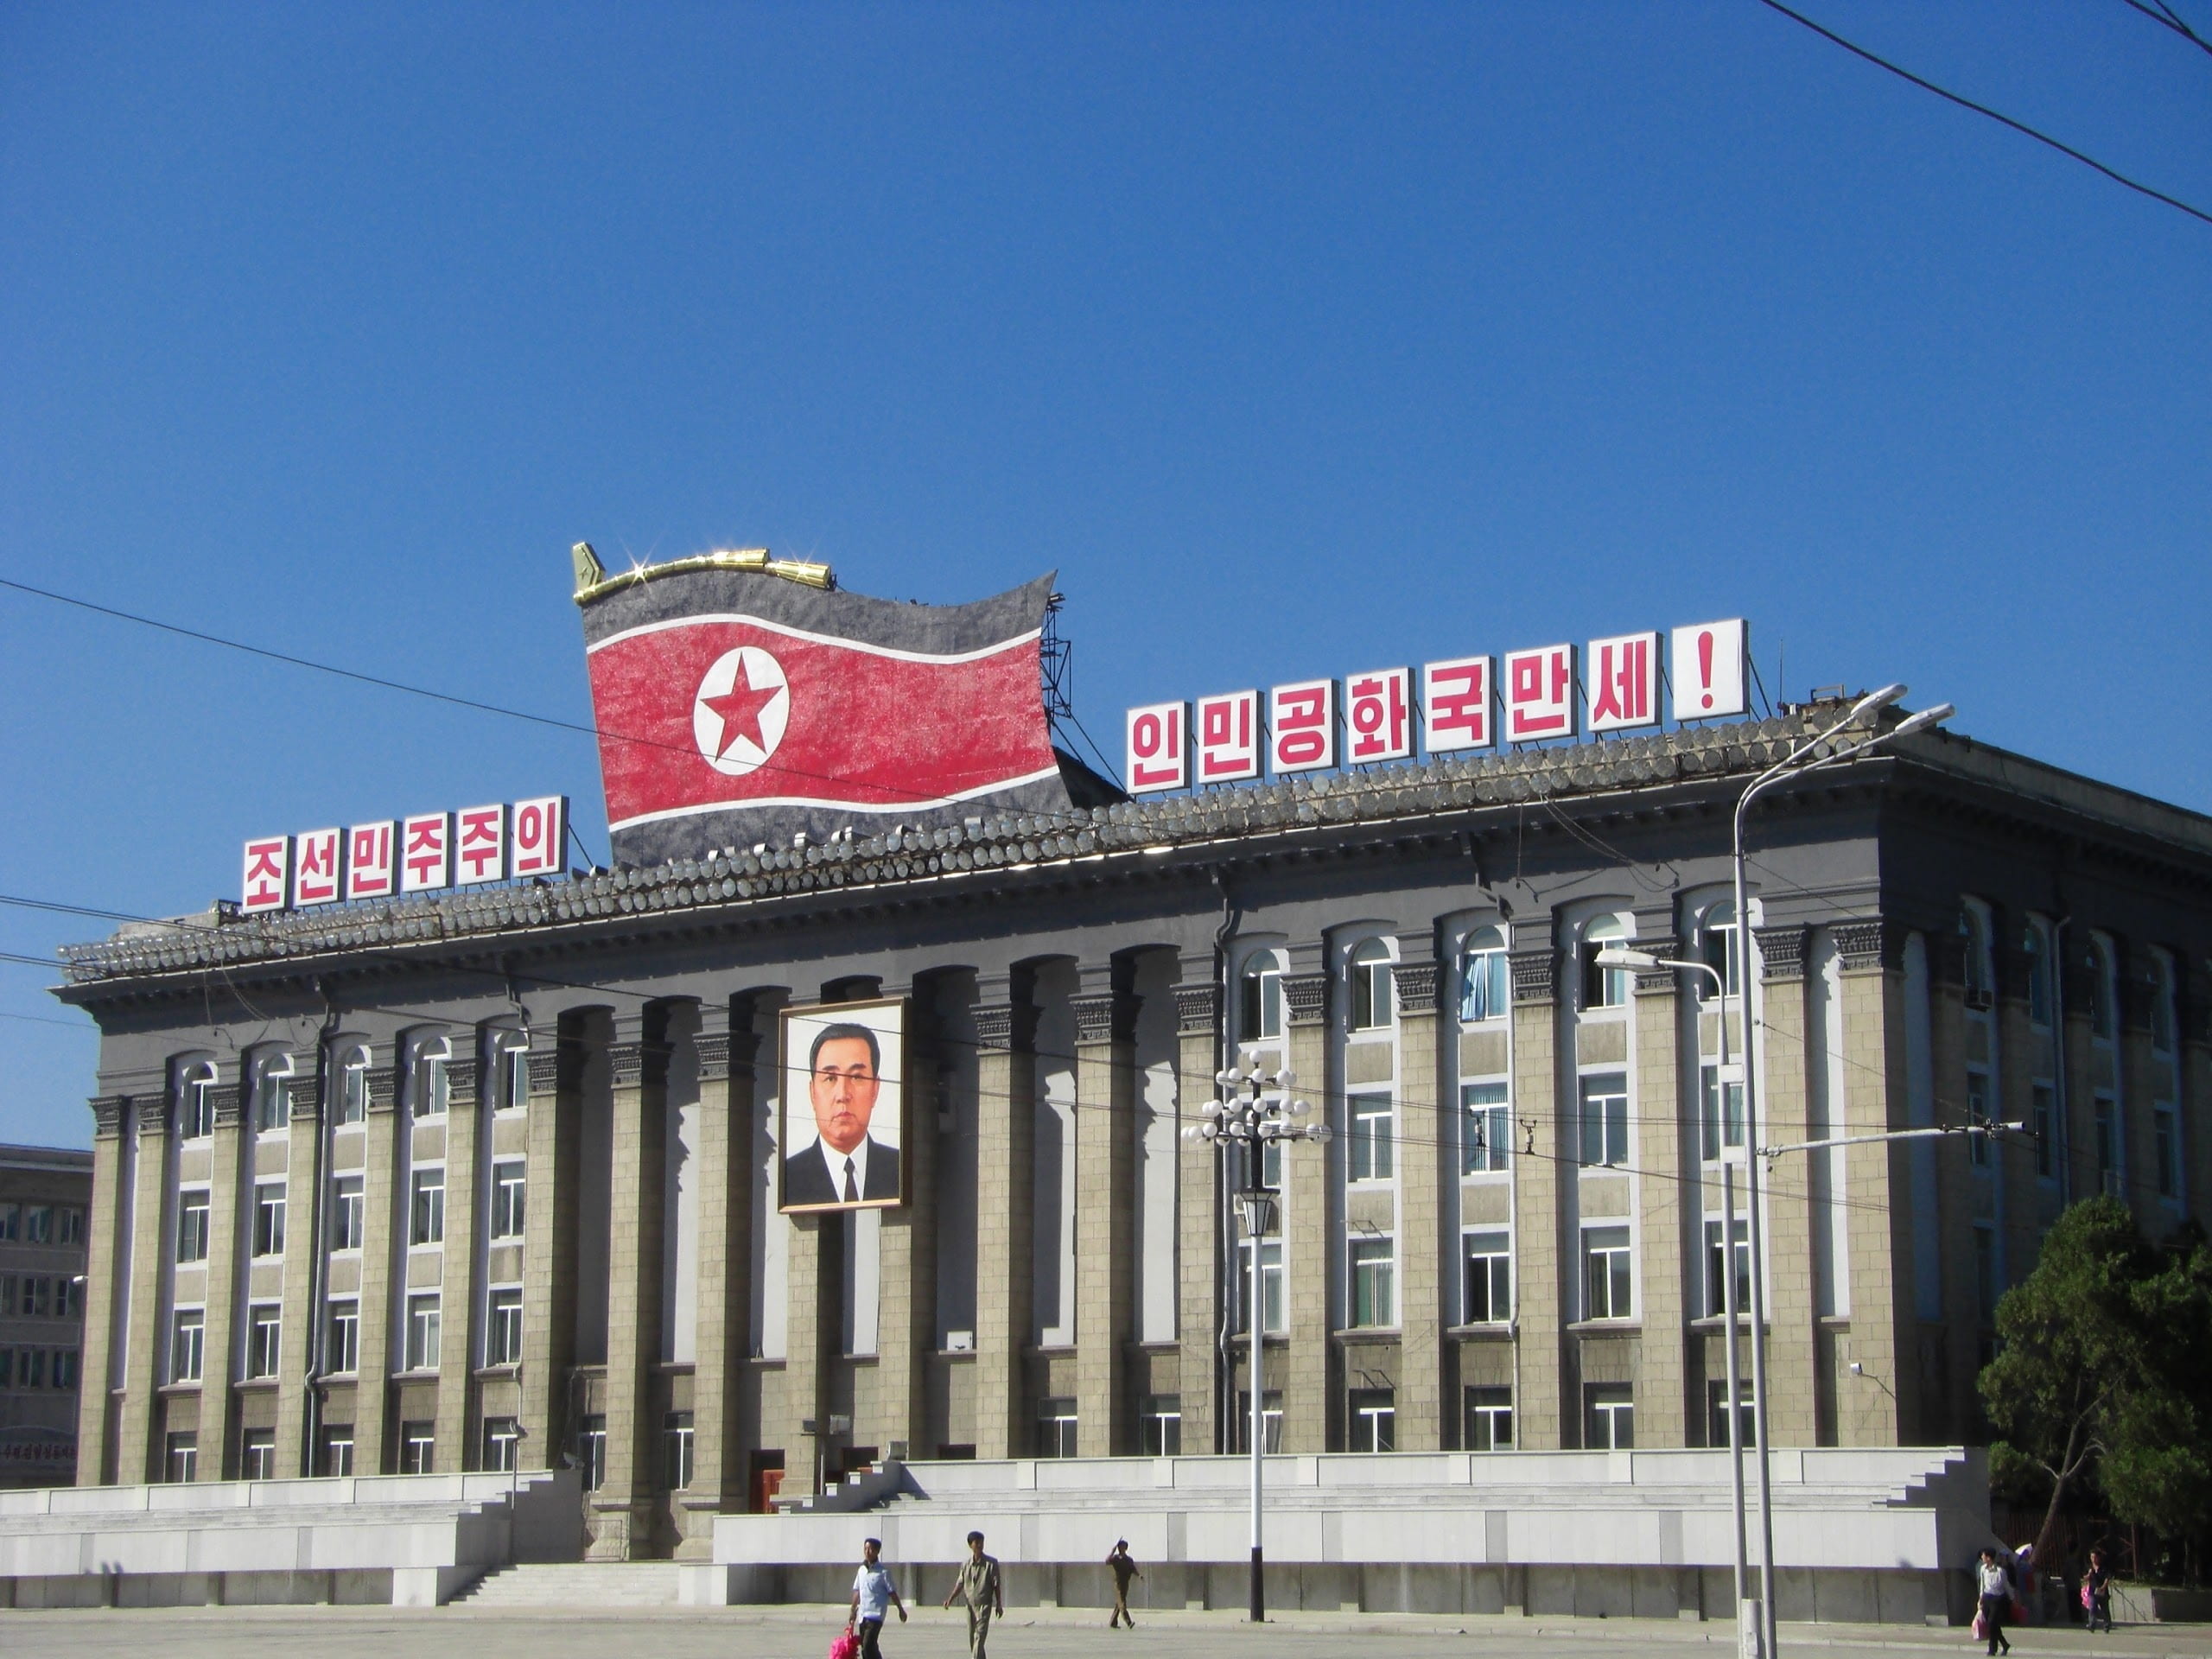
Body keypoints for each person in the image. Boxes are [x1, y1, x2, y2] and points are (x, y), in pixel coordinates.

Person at [784, 1022, 900, 1207]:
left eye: (857, 1077)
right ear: (813, 1092)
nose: (843, 1095)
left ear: (875, 1089)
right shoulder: (788, 1175)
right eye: (830, 1078)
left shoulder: (900, 1169)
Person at [943, 1529, 1003, 1659]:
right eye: (977, 1543)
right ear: (971, 1545)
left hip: (984, 1606)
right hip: (970, 1606)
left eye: (982, 1542)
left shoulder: (991, 1564)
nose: (980, 1545)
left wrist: (999, 1604)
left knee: (979, 1637)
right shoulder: (966, 1565)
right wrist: (950, 1600)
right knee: (973, 1640)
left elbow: (996, 1585)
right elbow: (960, 1584)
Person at [849, 1537, 906, 1659]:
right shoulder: (861, 1570)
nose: (867, 1552)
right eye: (865, 1549)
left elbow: (892, 1593)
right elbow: (857, 1591)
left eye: (870, 1549)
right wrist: (853, 1610)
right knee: (867, 1648)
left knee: (868, 1645)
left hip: (876, 1615)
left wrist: (900, 1609)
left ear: (877, 1552)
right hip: (862, 1615)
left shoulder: (883, 1572)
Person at [1977, 1548, 2013, 1656]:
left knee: (1991, 1622)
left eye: (1983, 1556)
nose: (1982, 1558)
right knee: (1992, 1625)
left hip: (1997, 1599)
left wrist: (2013, 1599)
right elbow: (1982, 1585)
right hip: (1987, 1597)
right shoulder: (1983, 1569)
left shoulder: (2000, 1571)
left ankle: (1992, 1649)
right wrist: (1980, 1598)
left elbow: (2006, 1585)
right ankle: (2005, 1644)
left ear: (1989, 1558)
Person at [1105, 1539, 1141, 1629]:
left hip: (1125, 1584)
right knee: (1122, 1604)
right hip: (1118, 1584)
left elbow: (1133, 1569)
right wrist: (1112, 1552)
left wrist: (1139, 1575)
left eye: (1124, 1547)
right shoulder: (1116, 1558)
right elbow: (1107, 1561)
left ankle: (1113, 1622)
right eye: (1120, 1547)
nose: (1122, 1548)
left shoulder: (1129, 1560)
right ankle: (1129, 1622)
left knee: (1119, 1603)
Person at [2084, 1546, 2113, 1633]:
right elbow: (2085, 1578)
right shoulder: (2089, 1567)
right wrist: (2087, 1576)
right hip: (2092, 1591)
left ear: (2099, 1557)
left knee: (2104, 1609)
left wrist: (2103, 1587)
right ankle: (2092, 1625)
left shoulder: (2104, 1567)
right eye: (2091, 1557)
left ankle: (2107, 1625)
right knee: (2092, 1607)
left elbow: (2107, 1578)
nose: (2093, 1559)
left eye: (2095, 1557)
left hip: (2102, 1591)